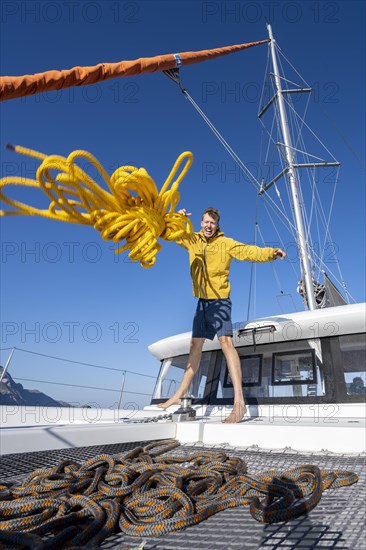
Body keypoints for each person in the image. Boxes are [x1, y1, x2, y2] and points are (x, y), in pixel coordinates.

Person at [158, 207, 286, 423]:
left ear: (217, 225)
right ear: (200, 222)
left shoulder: (225, 244)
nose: (209, 226)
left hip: (220, 301)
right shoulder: (192, 240)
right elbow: (168, 233)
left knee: (226, 342)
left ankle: (239, 403)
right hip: (202, 303)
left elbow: (248, 251)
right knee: (194, 347)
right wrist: (176, 218)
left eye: (213, 223)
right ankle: (179, 395)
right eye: (206, 222)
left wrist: (270, 252)